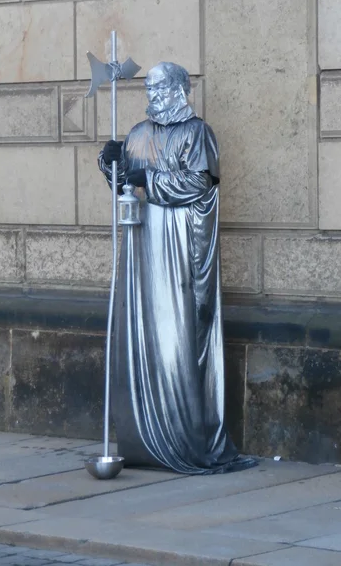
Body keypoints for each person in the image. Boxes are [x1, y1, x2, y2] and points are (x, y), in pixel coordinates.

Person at [98, 61, 257, 474]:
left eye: (160, 87)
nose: (152, 95)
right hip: (143, 251)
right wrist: (110, 163)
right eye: (148, 88)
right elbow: (123, 184)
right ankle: (143, 438)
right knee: (144, 335)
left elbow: (197, 184)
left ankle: (184, 436)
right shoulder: (138, 133)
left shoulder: (197, 133)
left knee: (178, 337)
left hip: (179, 251)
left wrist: (144, 178)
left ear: (180, 89)